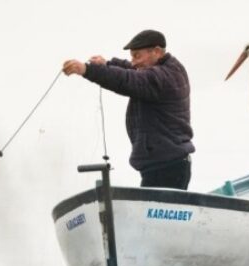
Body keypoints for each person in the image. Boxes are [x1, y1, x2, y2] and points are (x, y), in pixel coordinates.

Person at [62, 29, 195, 190]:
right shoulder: (166, 68)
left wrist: (87, 70)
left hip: (167, 168)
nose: (133, 61)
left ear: (157, 52)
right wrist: (108, 64)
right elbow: (132, 70)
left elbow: (127, 79)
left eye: (137, 56)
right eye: (132, 56)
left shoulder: (163, 77)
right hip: (165, 164)